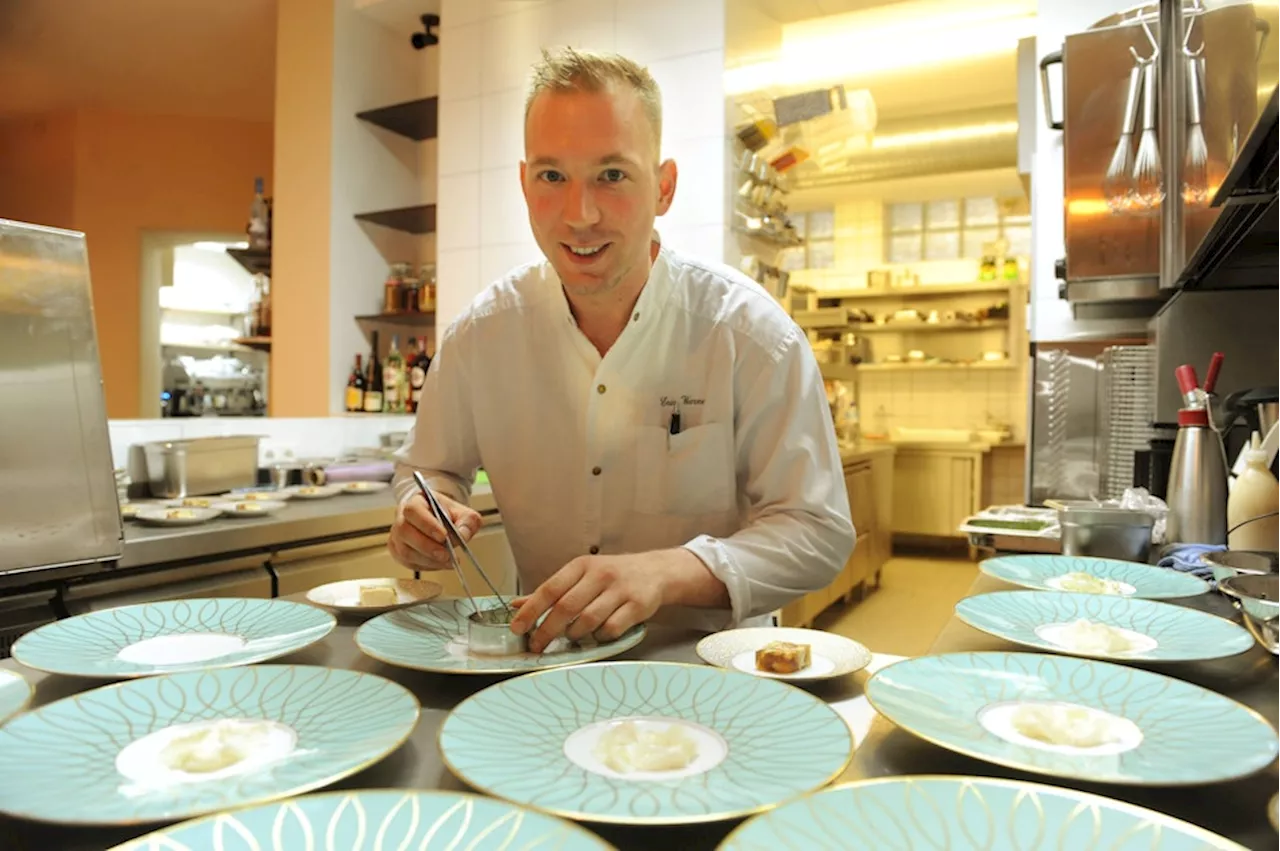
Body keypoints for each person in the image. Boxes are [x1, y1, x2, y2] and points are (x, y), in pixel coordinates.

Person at [389, 47, 853, 651]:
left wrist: (666, 572)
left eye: (611, 175)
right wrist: (423, 511)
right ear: (526, 185)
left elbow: (816, 531)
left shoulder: (748, 334)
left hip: (707, 668)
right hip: (542, 663)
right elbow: (428, 470)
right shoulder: (483, 335)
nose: (580, 215)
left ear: (663, 188)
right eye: (553, 177)